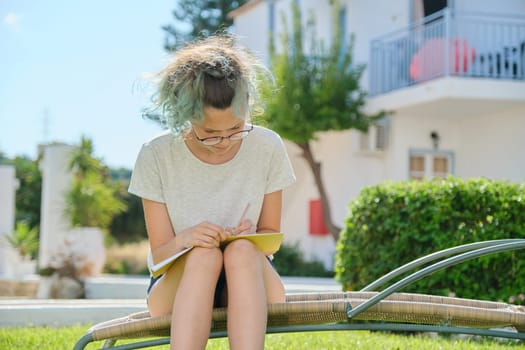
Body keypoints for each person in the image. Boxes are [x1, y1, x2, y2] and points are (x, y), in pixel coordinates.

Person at [128, 34, 296, 350]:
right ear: (185, 116)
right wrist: (186, 239)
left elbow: (272, 236)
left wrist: (251, 235)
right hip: (175, 287)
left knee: (242, 250)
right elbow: (159, 255)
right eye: (210, 134)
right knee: (203, 255)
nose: (224, 142)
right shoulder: (157, 155)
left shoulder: (267, 146)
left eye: (236, 130)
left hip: (250, 279)